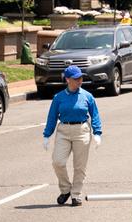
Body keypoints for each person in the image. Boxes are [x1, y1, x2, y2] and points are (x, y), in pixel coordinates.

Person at [41, 66, 102, 206]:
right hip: (63, 130)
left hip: (82, 130)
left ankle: (76, 194)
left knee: (79, 166)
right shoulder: (58, 98)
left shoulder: (87, 96)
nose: (80, 80)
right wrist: (47, 135)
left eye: (81, 77)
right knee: (58, 162)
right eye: (76, 78)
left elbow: (95, 115)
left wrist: (97, 133)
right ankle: (66, 189)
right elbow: (52, 117)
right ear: (68, 79)